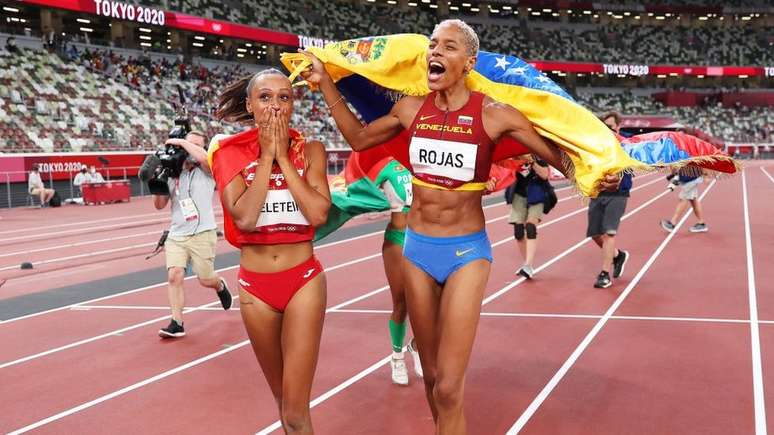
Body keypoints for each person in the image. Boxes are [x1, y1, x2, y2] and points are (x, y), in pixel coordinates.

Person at [301, 19, 576, 433]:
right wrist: (325, 84)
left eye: (448, 47)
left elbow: (557, 159)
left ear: (469, 61)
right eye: (432, 45)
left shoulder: (495, 114)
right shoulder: (410, 108)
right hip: (417, 251)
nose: (435, 53)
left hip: (466, 252)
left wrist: (592, 170)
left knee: (449, 386)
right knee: (431, 379)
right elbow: (359, 140)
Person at [212, 68, 331, 432]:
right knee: (283, 404)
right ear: (249, 104)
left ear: (294, 104)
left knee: (296, 410)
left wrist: (283, 159)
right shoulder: (228, 154)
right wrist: (266, 158)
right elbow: (246, 218)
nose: (275, 106)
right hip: (255, 289)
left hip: (303, 281)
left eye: (284, 97)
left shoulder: (311, 150)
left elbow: (318, 212)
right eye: (265, 98)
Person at [151, 131, 232, 338]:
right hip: (177, 234)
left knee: (205, 279)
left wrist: (181, 142)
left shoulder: (207, 170)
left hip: (203, 233)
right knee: (174, 275)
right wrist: (158, 180)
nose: (192, 150)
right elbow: (159, 206)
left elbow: (205, 158)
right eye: (190, 144)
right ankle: (177, 323)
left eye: (198, 145)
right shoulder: (172, 173)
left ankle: (219, 285)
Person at [375, 158, 423, 385]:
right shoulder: (385, 167)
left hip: (425, 239)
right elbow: (359, 191)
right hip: (397, 238)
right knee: (401, 302)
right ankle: (397, 358)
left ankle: (416, 345)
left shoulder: (422, 162)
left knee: (430, 303)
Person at [587, 112, 631, 289]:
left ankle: (604, 274)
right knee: (595, 234)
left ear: (618, 127)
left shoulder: (626, 142)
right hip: (598, 192)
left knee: (608, 233)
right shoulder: (596, 144)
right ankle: (618, 255)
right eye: (605, 127)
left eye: (611, 126)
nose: (608, 130)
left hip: (619, 193)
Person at [507, 155, 550, 279]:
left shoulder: (538, 154)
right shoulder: (515, 155)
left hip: (536, 195)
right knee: (518, 232)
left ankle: (528, 265)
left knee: (531, 226)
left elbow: (545, 175)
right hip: (518, 195)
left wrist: (532, 162)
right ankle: (527, 264)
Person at [661, 168, 708, 233]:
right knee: (693, 201)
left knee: (683, 199)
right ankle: (701, 223)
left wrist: (705, 175)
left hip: (691, 179)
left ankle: (672, 223)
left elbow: (701, 162)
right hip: (687, 179)